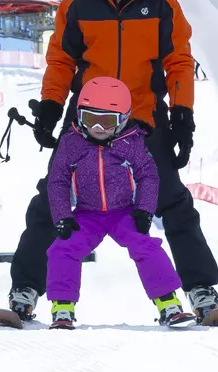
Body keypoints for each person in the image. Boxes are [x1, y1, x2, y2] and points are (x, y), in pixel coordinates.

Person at [0, 0, 218, 327]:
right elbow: (61, 61)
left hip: (142, 118)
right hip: (86, 120)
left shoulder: (161, 4)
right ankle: (25, 293)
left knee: (173, 202)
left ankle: (201, 293)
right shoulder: (78, 5)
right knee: (51, 199)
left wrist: (182, 115)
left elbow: (177, 61)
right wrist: (52, 107)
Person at [42, 77, 196, 330]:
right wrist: (62, 216)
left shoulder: (131, 142)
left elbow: (148, 175)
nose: (99, 128)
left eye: (108, 121)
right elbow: (57, 179)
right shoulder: (72, 143)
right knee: (63, 248)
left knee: (145, 245)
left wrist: (144, 211)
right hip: (86, 215)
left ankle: (169, 304)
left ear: (123, 119)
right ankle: (62, 308)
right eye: (91, 119)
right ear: (80, 116)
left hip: (123, 213)